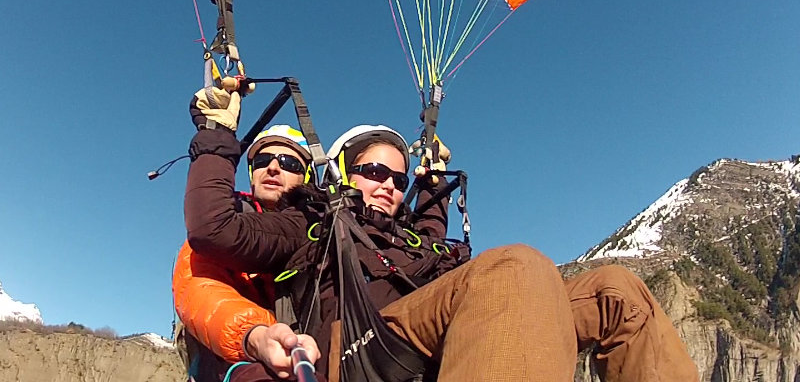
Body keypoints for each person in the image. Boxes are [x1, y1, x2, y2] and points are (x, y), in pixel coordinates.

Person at [184, 86, 700, 382]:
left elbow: (430, 233)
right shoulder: (310, 221)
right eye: (374, 172)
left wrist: (431, 185)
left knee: (615, 291)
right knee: (514, 268)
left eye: (399, 178)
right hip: (363, 347)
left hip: (427, 326)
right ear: (342, 173)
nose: (388, 184)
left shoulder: (408, 235)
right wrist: (217, 138)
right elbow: (213, 230)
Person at [173, 124, 322, 382]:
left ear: (306, 178)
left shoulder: (321, 234)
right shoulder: (224, 226)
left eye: (289, 163)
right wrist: (255, 334)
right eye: (263, 160)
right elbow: (200, 290)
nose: (273, 168)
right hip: (234, 361)